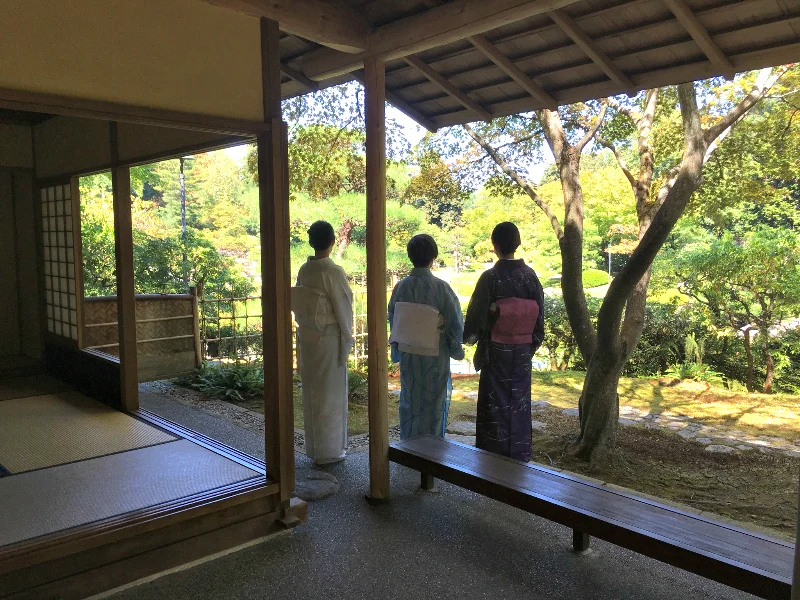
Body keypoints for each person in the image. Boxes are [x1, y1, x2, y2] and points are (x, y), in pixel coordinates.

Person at [463, 222, 544, 462]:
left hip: (495, 351)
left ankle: (492, 456)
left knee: (494, 403)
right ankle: (519, 453)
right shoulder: (531, 277)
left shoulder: (491, 278)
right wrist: (527, 344)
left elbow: (476, 318)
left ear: (495, 245)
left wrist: (470, 337)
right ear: (516, 244)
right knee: (518, 401)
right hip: (520, 353)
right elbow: (538, 320)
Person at [389, 234, 464, 440]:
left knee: (410, 399)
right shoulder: (441, 288)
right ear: (433, 257)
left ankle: (409, 443)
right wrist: (456, 346)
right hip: (434, 353)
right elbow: (455, 321)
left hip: (408, 352)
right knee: (434, 402)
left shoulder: (401, 287)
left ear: (410, 256)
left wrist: (397, 347)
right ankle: (432, 449)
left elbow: (393, 318)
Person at [292, 221, 354, 465]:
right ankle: (330, 451)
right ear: (332, 242)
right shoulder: (333, 272)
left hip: (308, 337)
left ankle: (315, 448)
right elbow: (344, 309)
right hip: (328, 339)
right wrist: (347, 339)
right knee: (330, 393)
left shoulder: (304, 270)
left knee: (313, 392)